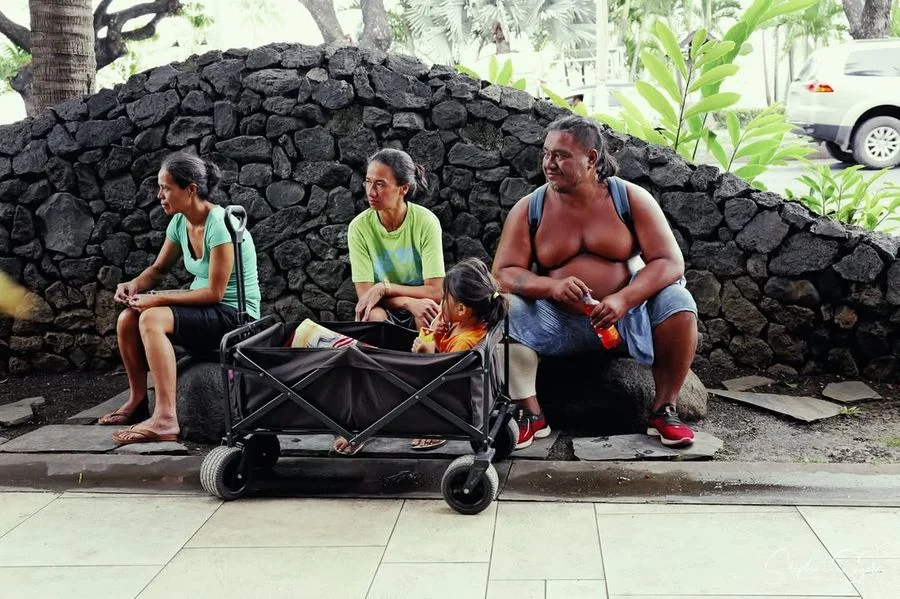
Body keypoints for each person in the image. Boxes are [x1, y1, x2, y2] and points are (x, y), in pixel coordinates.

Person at [492, 115, 699, 450]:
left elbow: (670, 261)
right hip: (557, 322)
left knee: (677, 300)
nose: (549, 163)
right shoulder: (530, 208)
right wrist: (551, 287)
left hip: (626, 321)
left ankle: (664, 410)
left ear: (591, 158)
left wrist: (624, 299)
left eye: (560, 156)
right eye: (546, 154)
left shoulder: (630, 199)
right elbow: (503, 272)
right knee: (504, 307)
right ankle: (530, 414)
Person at [103, 152, 261, 445]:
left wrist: (156, 300)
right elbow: (159, 269)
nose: (159, 195)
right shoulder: (179, 223)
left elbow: (214, 293)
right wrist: (134, 285)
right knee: (128, 319)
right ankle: (138, 401)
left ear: (190, 189)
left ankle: (165, 418)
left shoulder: (220, 224)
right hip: (207, 312)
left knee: (151, 316)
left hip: (235, 317)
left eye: (165, 188)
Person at [333, 258, 508, 455]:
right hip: (434, 387)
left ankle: (357, 427)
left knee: (370, 380)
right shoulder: (470, 328)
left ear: (461, 309)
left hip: (429, 397)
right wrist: (437, 334)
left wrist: (426, 353)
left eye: (444, 299)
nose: (440, 303)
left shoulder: (463, 342)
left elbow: (443, 380)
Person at [348, 148, 447, 450]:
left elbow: (435, 290)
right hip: (393, 306)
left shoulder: (424, 222)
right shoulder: (360, 227)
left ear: (403, 189)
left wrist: (386, 288)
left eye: (380, 184)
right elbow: (366, 297)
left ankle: (431, 417)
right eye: (367, 182)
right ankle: (362, 420)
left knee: (426, 315)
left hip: (424, 306)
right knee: (370, 319)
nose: (371, 191)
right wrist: (398, 297)